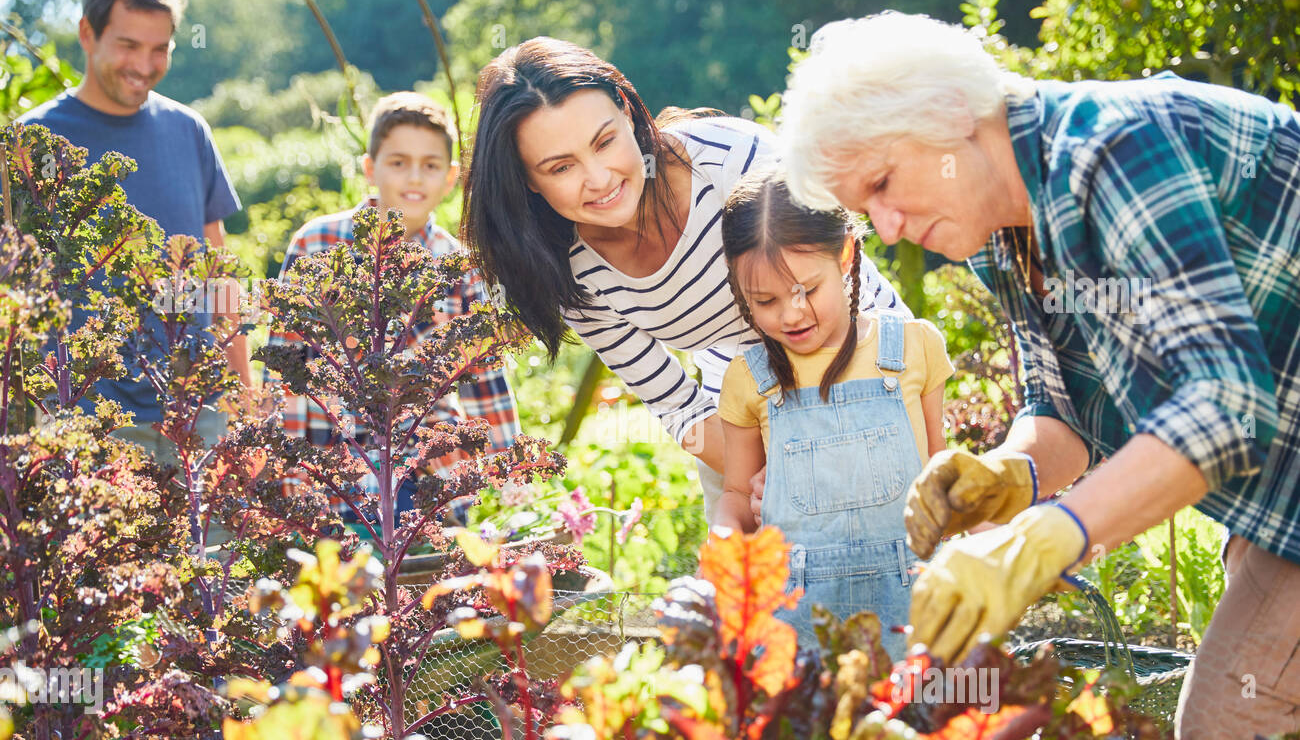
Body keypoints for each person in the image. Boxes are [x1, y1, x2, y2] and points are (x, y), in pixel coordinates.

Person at [779, 12, 1300, 740]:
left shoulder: (1116, 150)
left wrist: (1037, 542)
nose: (885, 229)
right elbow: (1068, 410)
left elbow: (1222, 403)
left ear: (953, 116)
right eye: (865, 207)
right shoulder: (1007, 225)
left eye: (883, 184)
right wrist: (1011, 475)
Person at [460, 37, 910, 522]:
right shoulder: (568, 270)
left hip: (864, 357)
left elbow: (843, 289)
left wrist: (835, 446)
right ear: (528, 180)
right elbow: (678, 405)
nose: (600, 178)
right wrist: (773, 476)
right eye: (561, 167)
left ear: (627, 111)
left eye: (605, 141)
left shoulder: (732, 161)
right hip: (740, 409)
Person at [713, 165, 952, 656]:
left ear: (845, 254)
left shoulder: (913, 348)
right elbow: (738, 495)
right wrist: (721, 543)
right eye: (766, 301)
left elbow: (938, 471)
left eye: (807, 290)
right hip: (794, 625)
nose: (792, 313)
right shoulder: (749, 378)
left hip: (914, 609)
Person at [262, 92, 520, 534]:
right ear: (370, 168)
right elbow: (286, 363)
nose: (414, 178)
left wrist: (508, 479)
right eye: (398, 162)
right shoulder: (317, 244)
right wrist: (285, 470)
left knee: (422, 590)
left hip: (423, 472)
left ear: (452, 177)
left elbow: (484, 382)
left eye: (430, 164)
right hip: (332, 468)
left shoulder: (459, 266)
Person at [18, 0, 247, 471]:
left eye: (159, 48)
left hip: (198, 418)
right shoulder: (32, 142)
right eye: (128, 46)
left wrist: (242, 404)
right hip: (85, 425)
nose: (144, 66)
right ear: (87, 34)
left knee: (218, 548)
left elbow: (220, 277)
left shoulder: (190, 132)